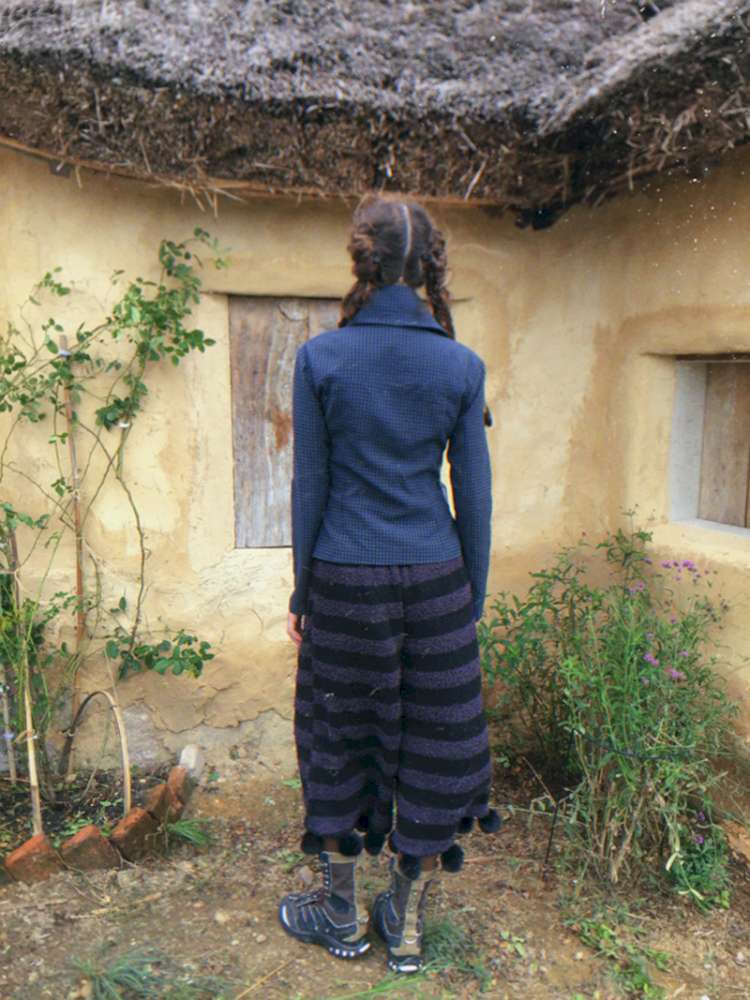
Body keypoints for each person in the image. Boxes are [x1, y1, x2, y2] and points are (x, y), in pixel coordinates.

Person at [278, 194, 500, 974]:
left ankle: (341, 914)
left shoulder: (322, 359)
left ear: (362, 260)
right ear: (430, 263)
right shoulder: (460, 365)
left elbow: (310, 487)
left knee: (338, 738)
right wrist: (469, 598)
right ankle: (402, 925)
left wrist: (303, 593)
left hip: (344, 582)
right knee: (436, 745)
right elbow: (474, 496)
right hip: (438, 582)